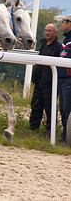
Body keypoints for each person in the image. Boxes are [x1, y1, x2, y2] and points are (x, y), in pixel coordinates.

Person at [29, 23, 62, 136]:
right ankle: (33, 128)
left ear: (55, 33)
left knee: (50, 109)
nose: (47, 33)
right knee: (35, 106)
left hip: (50, 84)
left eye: (50, 31)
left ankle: (49, 131)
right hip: (39, 82)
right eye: (46, 30)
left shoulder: (58, 46)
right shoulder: (43, 43)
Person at [57, 14, 71, 143]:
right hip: (62, 78)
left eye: (63, 22)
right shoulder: (66, 40)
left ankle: (67, 136)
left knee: (67, 108)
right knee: (63, 108)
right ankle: (64, 134)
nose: (61, 25)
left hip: (68, 79)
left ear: (69, 23)